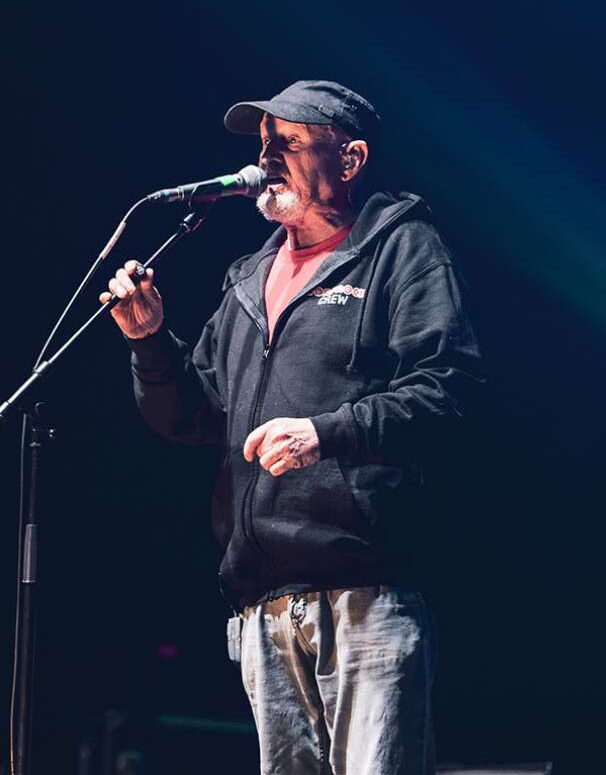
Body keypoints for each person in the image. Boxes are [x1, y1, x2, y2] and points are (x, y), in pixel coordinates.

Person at [103, 81, 482, 775]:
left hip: (367, 594)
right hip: (262, 605)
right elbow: (192, 418)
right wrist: (151, 343)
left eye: (291, 143)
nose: (267, 158)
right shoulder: (248, 277)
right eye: (263, 144)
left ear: (350, 158)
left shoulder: (402, 250)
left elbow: (447, 391)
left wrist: (324, 433)